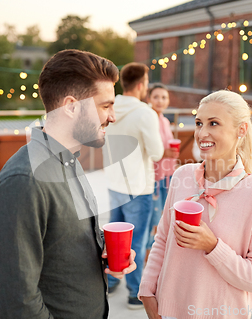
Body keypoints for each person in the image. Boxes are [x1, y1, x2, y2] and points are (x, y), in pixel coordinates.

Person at [0, 49, 136, 319]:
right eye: (105, 106)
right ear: (70, 106)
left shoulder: (69, 160)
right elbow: (16, 302)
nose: (112, 116)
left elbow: (62, 239)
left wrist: (103, 251)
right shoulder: (23, 182)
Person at [139, 90, 252, 319]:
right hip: (167, 312)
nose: (202, 133)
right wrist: (146, 290)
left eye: (214, 123)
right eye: (198, 123)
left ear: (241, 130)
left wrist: (212, 246)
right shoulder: (181, 176)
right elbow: (162, 238)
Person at [102, 62, 164, 309]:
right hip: (139, 186)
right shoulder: (145, 113)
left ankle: (111, 281)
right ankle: (134, 292)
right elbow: (158, 153)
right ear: (141, 85)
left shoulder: (109, 106)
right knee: (136, 240)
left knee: (113, 239)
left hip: (113, 181)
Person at [145, 83, 179, 263]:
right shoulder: (149, 120)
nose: (160, 101)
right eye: (156, 97)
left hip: (168, 174)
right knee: (154, 217)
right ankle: (150, 256)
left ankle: (158, 252)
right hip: (155, 175)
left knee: (165, 214)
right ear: (148, 99)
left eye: (164, 97)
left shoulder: (165, 120)